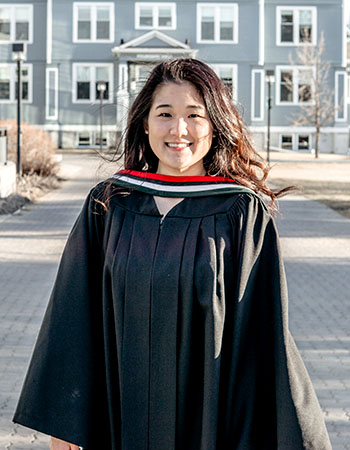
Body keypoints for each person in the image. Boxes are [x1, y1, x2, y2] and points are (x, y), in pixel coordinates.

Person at [14, 58, 331, 450]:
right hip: (119, 422)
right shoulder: (110, 205)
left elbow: (262, 336)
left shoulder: (240, 213)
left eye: (194, 115)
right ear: (144, 123)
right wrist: (64, 425)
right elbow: (73, 316)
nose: (178, 129)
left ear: (215, 126)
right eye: (164, 113)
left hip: (211, 425)